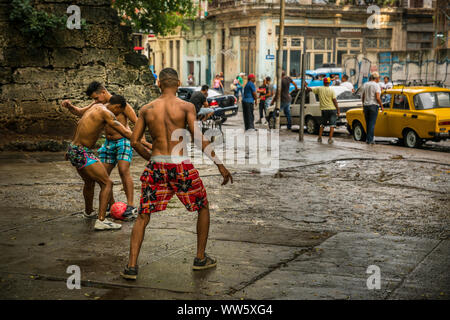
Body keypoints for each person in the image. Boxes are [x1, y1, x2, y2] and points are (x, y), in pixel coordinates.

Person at [120, 68, 233, 280]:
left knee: (143, 215)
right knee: (202, 207)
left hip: (157, 165)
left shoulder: (146, 109)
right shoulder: (186, 107)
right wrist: (219, 164)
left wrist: (151, 158)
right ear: (179, 83)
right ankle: (200, 258)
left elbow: (134, 141)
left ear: (159, 84)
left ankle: (131, 266)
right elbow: (198, 138)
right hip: (181, 165)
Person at [63, 82, 152, 218]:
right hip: (101, 145)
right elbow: (81, 117)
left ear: (103, 93)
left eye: (96, 98)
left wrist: (143, 142)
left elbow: (135, 123)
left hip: (120, 142)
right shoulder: (99, 107)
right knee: (104, 180)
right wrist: (70, 106)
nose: (95, 101)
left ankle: (128, 206)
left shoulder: (120, 104)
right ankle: (105, 214)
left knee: (121, 171)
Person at [64, 95, 132, 230]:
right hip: (82, 152)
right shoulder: (107, 113)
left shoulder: (96, 107)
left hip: (74, 149)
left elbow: (79, 124)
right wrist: (147, 143)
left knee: (89, 182)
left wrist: (71, 146)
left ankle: (89, 213)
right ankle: (101, 220)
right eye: (119, 112)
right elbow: (125, 132)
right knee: (107, 183)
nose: (117, 115)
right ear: (117, 107)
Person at [305, 77, 340, 144]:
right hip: (332, 109)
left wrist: (306, 85)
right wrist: (338, 110)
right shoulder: (332, 90)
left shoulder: (320, 89)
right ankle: (330, 139)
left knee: (322, 124)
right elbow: (335, 101)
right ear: (329, 83)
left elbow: (309, 89)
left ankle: (319, 137)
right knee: (332, 125)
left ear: (323, 82)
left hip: (324, 110)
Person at [361, 72, 384, 145]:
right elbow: (377, 97)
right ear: (376, 78)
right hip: (373, 106)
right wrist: (381, 105)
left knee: (368, 123)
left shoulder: (365, 84)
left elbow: (363, 96)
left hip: (366, 106)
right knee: (372, 123)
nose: (379, 79)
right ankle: (370, 140)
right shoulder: (376, 85)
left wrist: (363, 105)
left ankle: (368, 139)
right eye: (379, 78)